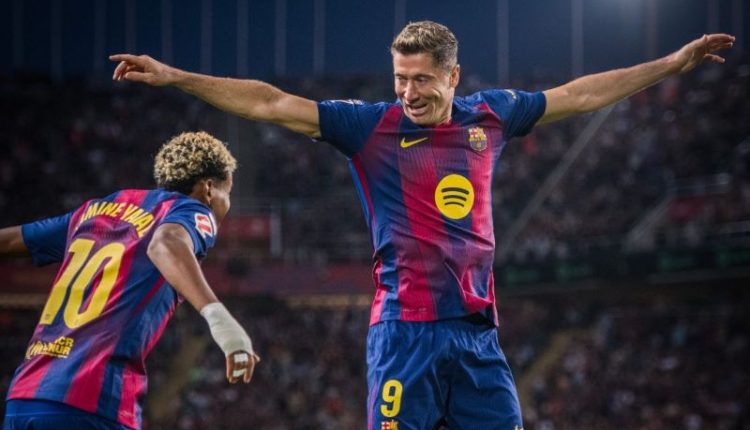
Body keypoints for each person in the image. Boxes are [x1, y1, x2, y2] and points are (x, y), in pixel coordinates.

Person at [110, 22, 734, 430]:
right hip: (405, 333)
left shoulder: (491, 116)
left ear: (453, 76)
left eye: (422, 79)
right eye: (400, 79)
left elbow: (580, 95)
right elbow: (270, 102)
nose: (408, 92)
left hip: (478, 336)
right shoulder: (368, 127)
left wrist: (670, 64)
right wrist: (177, 77)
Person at [0, 131, 261, 430]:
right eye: (228, 193)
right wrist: (220, 320)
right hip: (91, 401)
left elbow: (9, 241)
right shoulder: (191, 210)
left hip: (25, 397)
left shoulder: (94, 210)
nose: (227, 205)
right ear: (209, 188)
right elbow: (164, 243)